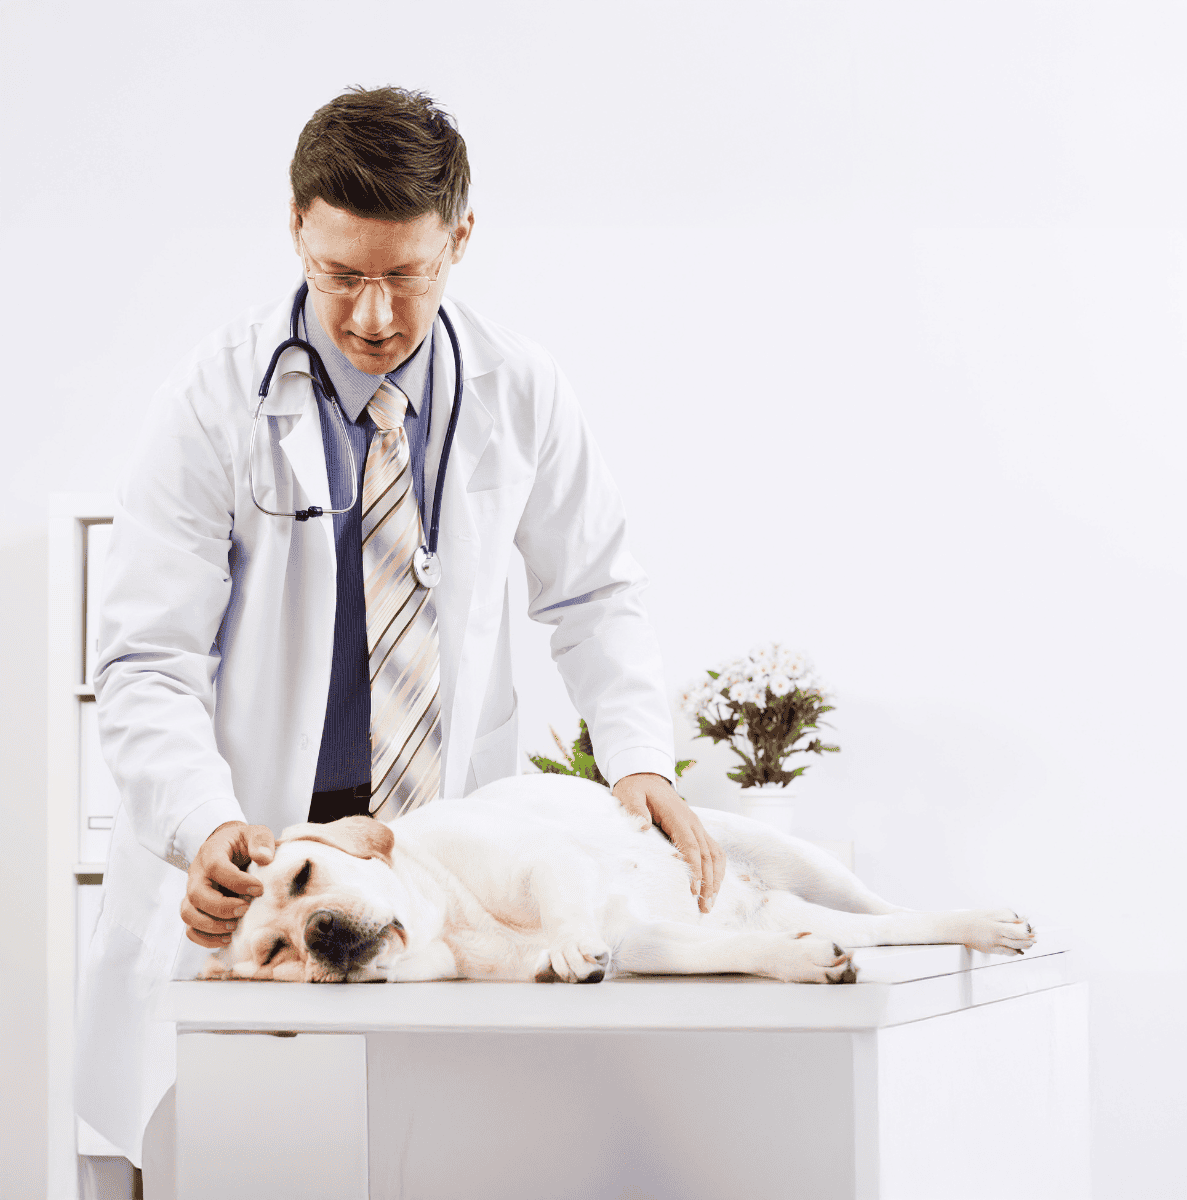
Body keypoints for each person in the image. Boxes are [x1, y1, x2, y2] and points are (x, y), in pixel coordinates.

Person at [77, 85, 725, 1179]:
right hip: (264, 868)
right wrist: (202, 825)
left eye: (405, 276)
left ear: (460, 239)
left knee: (438, 1160)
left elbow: (596, 590)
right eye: (340, 276)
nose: (372, 316)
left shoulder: (519, 390)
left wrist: (639, 756)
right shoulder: (214, 400)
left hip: (435, 872)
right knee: (240, 1163)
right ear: (296, 228)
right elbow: (147, 659)